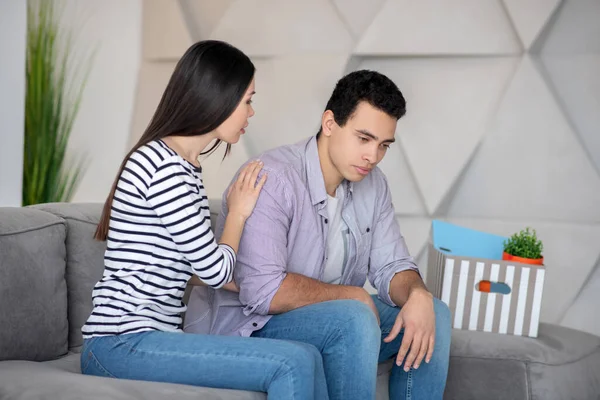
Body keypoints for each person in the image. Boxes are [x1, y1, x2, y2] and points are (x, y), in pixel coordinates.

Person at [81, 40, 328, 400]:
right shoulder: (164, 167)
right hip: (120, 344)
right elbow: (214, 271)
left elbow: (194, 268)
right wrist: (239, 213)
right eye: (247, 101)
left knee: (306, 355)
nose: (251, 112)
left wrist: (267, 286)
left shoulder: (185, 167)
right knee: (292, 363)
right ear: (218, 98)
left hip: (145, 339)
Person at [185, 69, 452, 399]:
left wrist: (418, 294)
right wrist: (352, 296)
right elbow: (263, 292)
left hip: (339, 320)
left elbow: (391, 265)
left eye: (384, 145)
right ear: (329, 123)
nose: (373, 156)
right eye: (363, 139)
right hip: (253, 328)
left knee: (433, 313)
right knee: (353, 315)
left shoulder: (374, 184)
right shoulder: (273, 177)